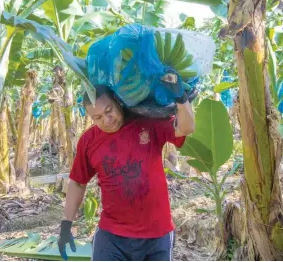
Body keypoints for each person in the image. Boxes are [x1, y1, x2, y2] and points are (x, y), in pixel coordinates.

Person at [58, 71, 195, 261]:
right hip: (112, 236)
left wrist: (180, 96)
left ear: (117, 101)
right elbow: (78, 182)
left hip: (157, 234)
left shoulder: (149, 122)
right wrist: (66, 225)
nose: (106, 120)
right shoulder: (89, 141)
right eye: (97, 118)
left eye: (109, 111)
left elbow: (186, 128)